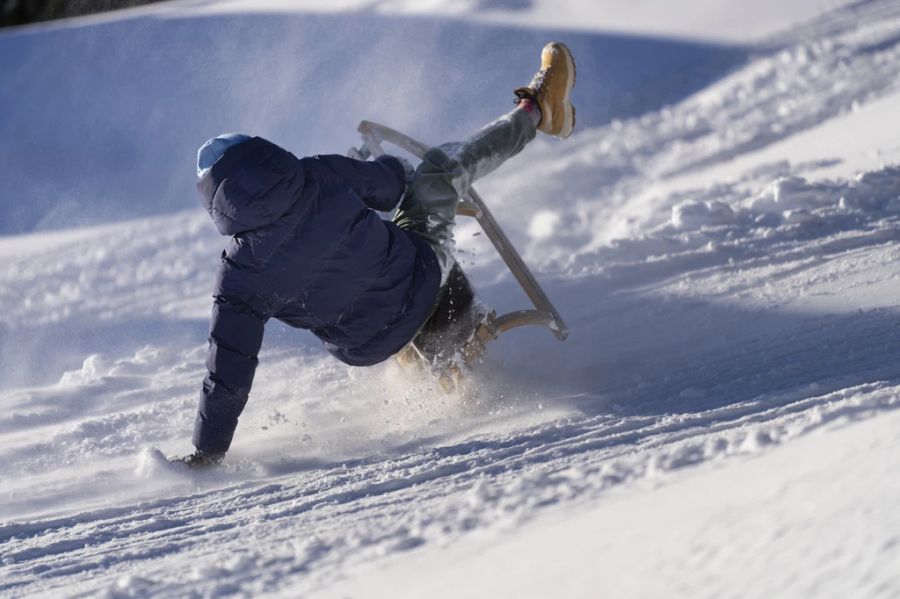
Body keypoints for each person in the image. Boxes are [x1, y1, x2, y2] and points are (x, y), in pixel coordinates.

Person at [177, 42, 577, 467]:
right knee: (440, 170)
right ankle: (539, 111)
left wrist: (207, 453)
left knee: (361, 246)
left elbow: (228, 371)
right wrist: (381, 176)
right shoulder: (318, 174)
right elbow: (391, 186)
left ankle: (421, 333)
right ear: (265, 153)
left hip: (366, 346)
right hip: (419, 278)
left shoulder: (239, 277)